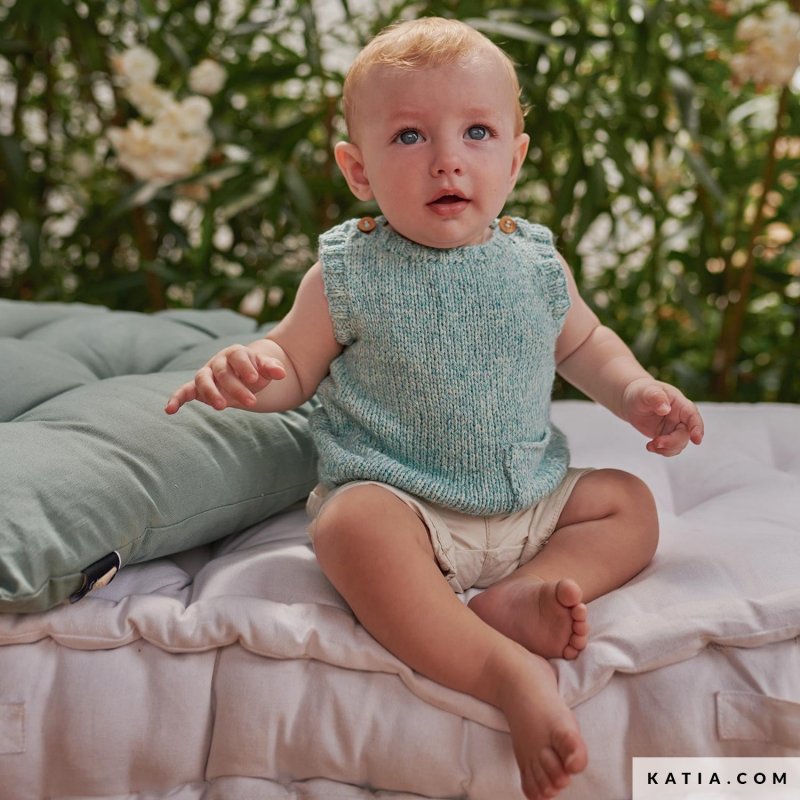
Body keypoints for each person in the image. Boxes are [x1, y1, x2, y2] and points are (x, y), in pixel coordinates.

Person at [165, 17, 704, 799]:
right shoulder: (349, 272)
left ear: (514, 159)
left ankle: (526, 593)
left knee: (629, 503)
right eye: (410, 136)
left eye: (477, 132)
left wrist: (638, 394)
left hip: (529, 502)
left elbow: (587, 346)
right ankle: (502, 669)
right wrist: (250, 372)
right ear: (358, 169)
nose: (448, 159)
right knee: (348, 526)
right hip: (406, 509)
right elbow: (293, 365)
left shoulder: (537, 264)